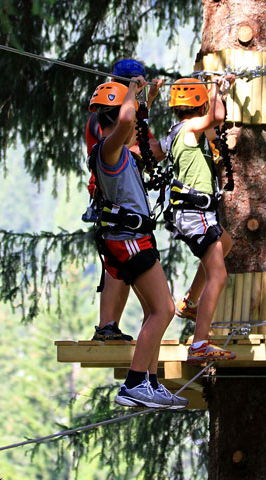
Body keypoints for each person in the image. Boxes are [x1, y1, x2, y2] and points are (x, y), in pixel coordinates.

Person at [88, 79, 186, 409]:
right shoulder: (108, 150)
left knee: (153, 312)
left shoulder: (125, 150)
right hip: (129, 241)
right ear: (115, 119)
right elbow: (128, 122)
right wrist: (131, 89)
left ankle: (150, 382)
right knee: (165, 309)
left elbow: (135, 124)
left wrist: (145, 98)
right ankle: (134, 384)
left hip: (132, 239)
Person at [86, 59, 164, 342]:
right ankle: (107, 324)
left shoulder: (122, 107)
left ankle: (111, 326)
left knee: (117, 264)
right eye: (132, 83)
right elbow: (126, 130)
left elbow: (133, 132)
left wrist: (147, 101)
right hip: (110, 192)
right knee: (118, 257)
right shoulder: (106, 114)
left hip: (119, 192)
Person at [163, 76, 237, 363]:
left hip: (192, 213)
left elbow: (212, 126)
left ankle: (191, 302)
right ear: (199, 103)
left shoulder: (174, 132)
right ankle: (200, 344)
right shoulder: (192, 127)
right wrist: (216, 87)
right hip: (197, 214)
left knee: (225, 243)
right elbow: (216, 117)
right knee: (218, 274)